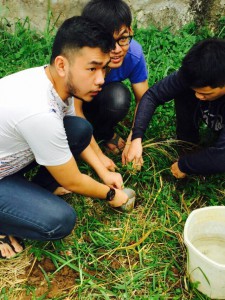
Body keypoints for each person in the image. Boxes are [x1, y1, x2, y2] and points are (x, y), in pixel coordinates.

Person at [0, 16, 129, 259]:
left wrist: (104, 172)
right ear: (62, 64)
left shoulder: (55, 82)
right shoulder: (39, 112)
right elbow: (73, 181)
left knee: (79, 129)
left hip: (8, 158)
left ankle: (29, 195)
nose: (101, 79)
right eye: (92, 68)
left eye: (104, 68)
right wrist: (111, 194)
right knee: (59, 220)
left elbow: (76, 133)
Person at [123, 38, 225, 178]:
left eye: (205, 93)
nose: (198, 96)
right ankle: (187, 142)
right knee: (183, 90)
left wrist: (185, 165)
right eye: (196, 91)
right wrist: (136, 137)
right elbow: (152, 96)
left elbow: (221, 157)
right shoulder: (192, 74)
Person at [74, 0, 148, 171]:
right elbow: (74, 109)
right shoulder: (78, 54)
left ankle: (102, 131)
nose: (116, 49)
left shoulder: (133, 54)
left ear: (130, 31)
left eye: (122, 38)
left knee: (118, 97)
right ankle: (90, 138)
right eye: (107, 41)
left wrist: (134, 139)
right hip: (70, 107)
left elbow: (144, 100)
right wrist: (98, 156)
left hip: (101, 99)